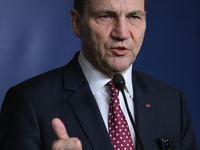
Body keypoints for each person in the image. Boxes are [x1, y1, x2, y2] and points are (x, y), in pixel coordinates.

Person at [0, 0, 197, 149]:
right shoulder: (29, 102)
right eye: (106, 16)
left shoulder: (172, 102)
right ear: (77, 23)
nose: (122, 33)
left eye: (134, 17)